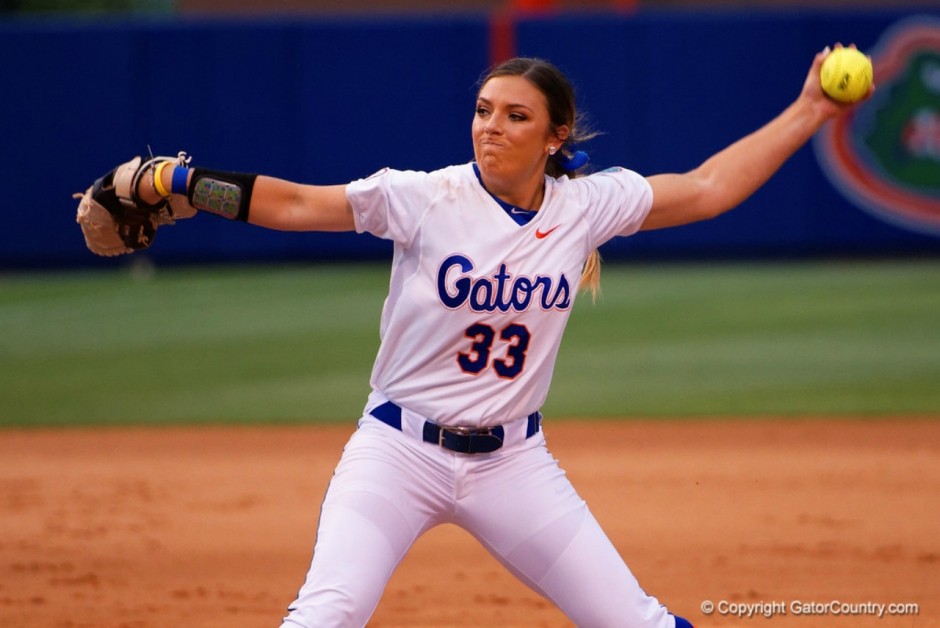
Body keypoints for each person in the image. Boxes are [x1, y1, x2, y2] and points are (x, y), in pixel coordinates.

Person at [85, 46, 868, 627]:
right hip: (395, 453)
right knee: (327, 612)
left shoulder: (587, 207)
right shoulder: (423, 197)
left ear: (556, 136)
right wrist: (178, 182)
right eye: (485, 110)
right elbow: (294, 205)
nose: (492, 127)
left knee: (634, 621)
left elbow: (707, 188)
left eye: (515, 116)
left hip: (513, 466)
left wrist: (811, 109)